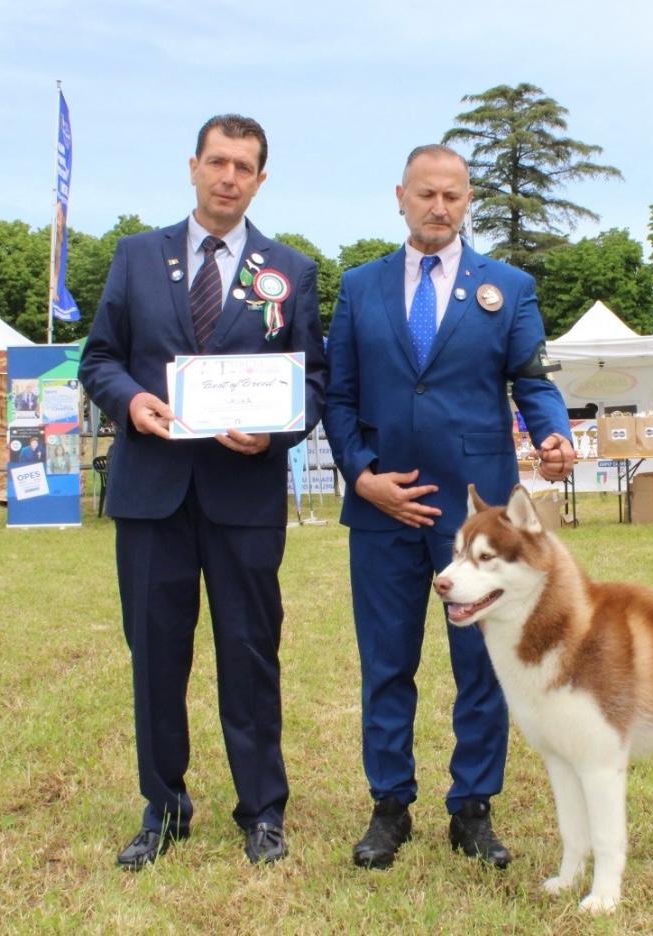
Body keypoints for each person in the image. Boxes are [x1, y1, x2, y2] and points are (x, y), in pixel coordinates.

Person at [78, 114, 327, 870]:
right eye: (217, 161)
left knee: (250, 653)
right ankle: (164, 808)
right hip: (152, 494)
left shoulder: (292, 268)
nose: (228, 176)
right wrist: (131, 402)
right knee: (155, 654)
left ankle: (262, 810)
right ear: (193, 167)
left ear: (259, 179)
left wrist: (275, 430)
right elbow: (100, 360)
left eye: (243, 165)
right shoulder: (134, 257)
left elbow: (313, 380)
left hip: (243, 495)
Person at [324, 144, 575, 872]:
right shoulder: (358, 288)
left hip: (478, 521)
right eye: (426, 194)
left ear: (469, 202)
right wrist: (363, 475)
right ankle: (389, 807)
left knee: (482, 663)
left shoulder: (509, 287)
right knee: (386, 662)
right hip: (382, 509)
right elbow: (338, 398)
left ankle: (472, 808)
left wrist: (553, 430)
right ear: (399, 195)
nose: (439, 207)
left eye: (453, 196)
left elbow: (532, 380)